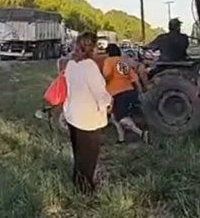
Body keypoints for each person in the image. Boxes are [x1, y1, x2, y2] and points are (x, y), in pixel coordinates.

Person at [63, 32, 112, 194]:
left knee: (78, 154)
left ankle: (77, 182)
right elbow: (100, 93)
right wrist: (107, 104)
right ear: (92, 48)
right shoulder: (90, 67)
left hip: (72, 115)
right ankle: (86, 190)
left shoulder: (70, 65)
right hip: (88, 118)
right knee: (89, 157)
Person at [103, 43, 149, 144]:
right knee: (115, 117)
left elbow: (107, 75)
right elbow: (134, 78)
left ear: (108, 53)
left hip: (117, 93)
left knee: (120, 117)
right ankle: (121, 139)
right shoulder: (124, 62)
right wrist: (140, 91)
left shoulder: (109, 61)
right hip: (130, 90)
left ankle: (141, 133)